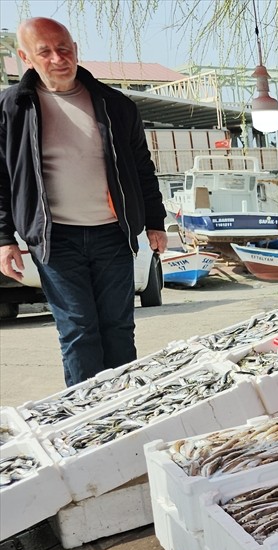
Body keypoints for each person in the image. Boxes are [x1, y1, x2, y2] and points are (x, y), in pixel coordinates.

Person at [0, 17, 167, 386]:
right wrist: (4, 239)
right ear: (26, 57)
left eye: (64, 48)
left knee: (119, 328)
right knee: (78, 330)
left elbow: (142, 167)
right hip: (55, 239)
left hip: (113, 234)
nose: (58, 58)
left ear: (75, 50)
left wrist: (156, 221)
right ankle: (86, 414)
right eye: (45, 51)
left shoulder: (115, 104)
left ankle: (126, 407)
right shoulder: (11, 108)